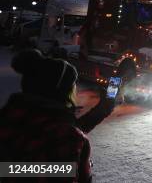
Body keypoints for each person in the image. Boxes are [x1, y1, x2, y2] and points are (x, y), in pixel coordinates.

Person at [0, 49, 115, 183]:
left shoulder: (10, 116)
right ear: (61, 92)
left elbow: (44, 131)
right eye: (72, 87)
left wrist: (102, 110)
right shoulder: (67, 138)